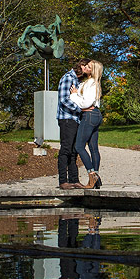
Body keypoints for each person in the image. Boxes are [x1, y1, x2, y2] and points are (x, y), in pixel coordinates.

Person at [56, 59, 91, 189]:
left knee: (74, 151)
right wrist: (79, 109)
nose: (89, 70)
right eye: (87, 67)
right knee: (65, 149)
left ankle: (74, 180)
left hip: (75, 119)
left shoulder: (77, 81)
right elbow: (64, 99)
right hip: (67, 119)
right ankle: (62, 181)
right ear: (81, 66)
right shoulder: (68, 77)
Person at [69, 59, 104, 189]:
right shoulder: (92, 83)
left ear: (93, 70)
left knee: (79, 146)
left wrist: (73, 95)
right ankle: (96, 179)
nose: (86, 68)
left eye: (89, 67)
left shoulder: (91, 84)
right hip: (95, 115)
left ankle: (92, 174)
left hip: (89, 115)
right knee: (93, 147)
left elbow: (85, 104)